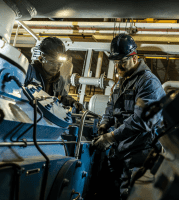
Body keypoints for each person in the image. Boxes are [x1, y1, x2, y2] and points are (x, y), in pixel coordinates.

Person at [93, 34, 165, 200]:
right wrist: (104, 124)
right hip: (120, 151)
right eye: (115, 62)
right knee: (106, 190)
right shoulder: (121, 82)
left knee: (129, 195)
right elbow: (111, 107)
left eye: (122, 62)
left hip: (140, 153)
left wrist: (110, 137)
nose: (118, 67)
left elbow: (142, 120)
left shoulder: (148, 83)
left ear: (134, 58)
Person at [24, 37, 82, 111]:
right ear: (41, 58)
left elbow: (63, 97)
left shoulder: (59, 80)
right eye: (52, 62)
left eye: (59, 63)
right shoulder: (29, 71)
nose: (56, 66)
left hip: (43, 116)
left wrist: (73, 102)